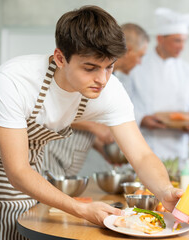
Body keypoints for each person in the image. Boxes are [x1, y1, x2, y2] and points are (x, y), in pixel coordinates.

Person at [0, 6, 189, 239]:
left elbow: (142, 155)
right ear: (60, 58)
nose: (102, 79)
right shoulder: (13, 82)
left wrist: (164, 191)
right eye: (90, 68)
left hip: (31, 176)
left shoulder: (109, 89)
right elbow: (18, 171)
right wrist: (80, 209)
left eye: (110, 66)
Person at [43, 22, 149, 176]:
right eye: (140, 56)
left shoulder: (112, 83)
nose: (140, 63)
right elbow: (52, 109)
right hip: (50, 156)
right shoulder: (79, 75)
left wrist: (100, 146)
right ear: (129, 50)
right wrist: (96, 128)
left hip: (66, 162)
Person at [128, 8, 189, 164]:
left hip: (177, 149)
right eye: (177, 40)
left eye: (184, 40)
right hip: (145, 145)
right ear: (160, 39)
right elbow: (124, 103)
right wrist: (142, 119)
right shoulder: (136, 66)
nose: (182, 46)